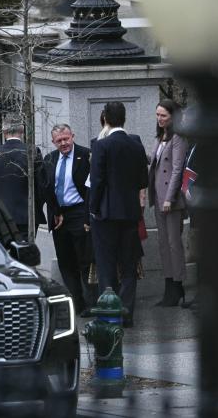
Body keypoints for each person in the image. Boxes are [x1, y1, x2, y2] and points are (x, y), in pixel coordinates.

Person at [89, 102, 148, 328]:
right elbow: (143, 180)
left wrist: (93, 209)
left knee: (106, 265)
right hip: (130, 212)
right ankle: (127, 313)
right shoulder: (136, 145)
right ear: (125, 118)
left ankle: (109, 312)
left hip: (105, 214)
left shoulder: (102, 146)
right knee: (129, 265)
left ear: (105, 118)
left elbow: (97, 181)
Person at [44, 124, 97, 317]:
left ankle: (92, 303)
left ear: (72, 136)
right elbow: (47, 187)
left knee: (85, 261)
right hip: (60, 216)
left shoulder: (86, 155)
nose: (64, 143)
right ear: (53, 142)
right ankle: (77, 302)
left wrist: (87, 216)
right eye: (59, 141)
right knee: (66, 262)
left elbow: (92, 188)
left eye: (66, 139)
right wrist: (55, 212)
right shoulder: (49, 159)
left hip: (80, 212)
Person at [148, 99, 188, 307]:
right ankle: (169, 286)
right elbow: (155, 162)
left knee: (174, 244)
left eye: (163, 115)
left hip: (170, 201)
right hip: (158, 197)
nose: (160, 119)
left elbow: (176, 170)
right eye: (157, 115)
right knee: (164, 245)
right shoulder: (160, 137)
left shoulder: (178, 138)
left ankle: (178, 285)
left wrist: (169, 198)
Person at [0, 116, 46, 239]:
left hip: (2, 216)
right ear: (22, 131)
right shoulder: (32, 151)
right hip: (28, 215)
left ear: (3, 132)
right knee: (26, 254)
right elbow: (42, 185)